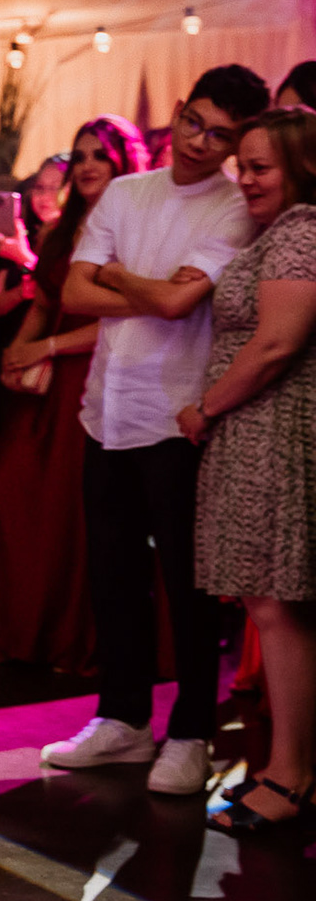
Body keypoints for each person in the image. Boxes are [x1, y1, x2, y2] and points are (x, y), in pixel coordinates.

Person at [42, 64, 269, 794]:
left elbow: (177, 308)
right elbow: (74, 291)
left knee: (187, 584)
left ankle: (193, 731)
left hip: (180, 414)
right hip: (105, 407)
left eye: (222, 136)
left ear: (238, 146)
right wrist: (147, 287)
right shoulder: (125, 191)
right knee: (113, 574)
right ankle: (123, 720)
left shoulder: (233, 209)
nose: (202, 142)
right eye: (196, 122)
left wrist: (119, 279)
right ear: (177, 111)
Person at [0, 118, 142, 669]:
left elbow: (124, 319)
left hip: (96, 379)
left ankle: (67, 637)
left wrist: (49, 347)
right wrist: (22, 346)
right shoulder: (62, 229)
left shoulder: (132, 229)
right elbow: (43, 298)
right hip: (45, 386)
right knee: (7, 499)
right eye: (79, 155)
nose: (85, 166)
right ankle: (14, 627)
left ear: (122, 164)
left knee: (69, 514)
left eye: (98, 156)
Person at [181, 108, 316, 833]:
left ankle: (289, 780)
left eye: (261, 166)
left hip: (276, 432)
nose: (245, 178)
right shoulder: (284, 232)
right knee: (280, 605)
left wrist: (205, 406)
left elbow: (275, 344)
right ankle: (290, 771)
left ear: (301, 167)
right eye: (245, 166)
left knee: (277, 606)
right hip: (265, 429)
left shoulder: (300, 231)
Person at [0, 154, 69, 347]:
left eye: (55, 187)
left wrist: (23, 258)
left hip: (50, 343)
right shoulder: (25, 236)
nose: (44, 195)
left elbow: (61, 297)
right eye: (39, 187)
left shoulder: (75, 240)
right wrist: (22, 291)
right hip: (10, 336)